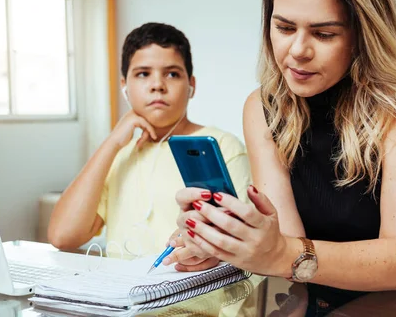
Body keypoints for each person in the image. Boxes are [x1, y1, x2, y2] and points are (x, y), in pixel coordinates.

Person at [173, 0, 396, 294]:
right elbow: (288, 249)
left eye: (324, 34)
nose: (298, 51)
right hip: (307, 304)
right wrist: (232, 247)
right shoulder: (262, 108)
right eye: (285, 28)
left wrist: (276, 253)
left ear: (362, 35)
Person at [48, 22, 251, 271]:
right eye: (143, 74)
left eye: (172, 74)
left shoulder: (224, 147)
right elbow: (63, 237)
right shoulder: (120, 154)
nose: (157, 85)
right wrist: (112, 143)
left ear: (192, 85)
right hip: (125, 302)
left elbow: (245, 248)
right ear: (125, 86)